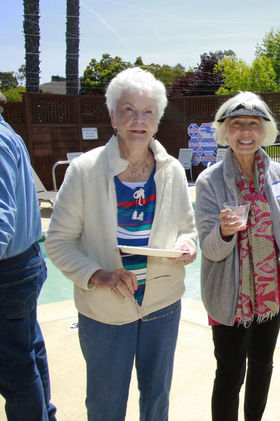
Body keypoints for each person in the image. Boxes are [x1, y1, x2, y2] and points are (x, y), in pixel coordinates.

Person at [45, 67, 197, 421]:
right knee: (105, 405)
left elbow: (187, 230)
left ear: (157, 121)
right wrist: (99, 276)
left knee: (157, 400)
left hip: (163, 305)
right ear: (113, 117)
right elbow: (59, 241)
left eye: (147, 112)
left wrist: (187, 245)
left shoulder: (172, 171)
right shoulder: (85, 171)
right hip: (105, 309)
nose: (138, 120)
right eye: (128, 110)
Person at [195, 91, 280, 421]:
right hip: (231, 294)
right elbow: (209, 249)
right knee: (229, 374)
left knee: (263, 365)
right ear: (224, 131)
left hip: (270, 292)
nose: (245, 131)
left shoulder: (277, 175)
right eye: (236, 123)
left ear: (265, 130)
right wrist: (225, 232)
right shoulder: (210, 181)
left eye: (253, 124)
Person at [0, 93, 57, 420]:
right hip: (25, 262)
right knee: (28, 353)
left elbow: (1, 220)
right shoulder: (10, 134)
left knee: (13, 369)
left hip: (8, 272)